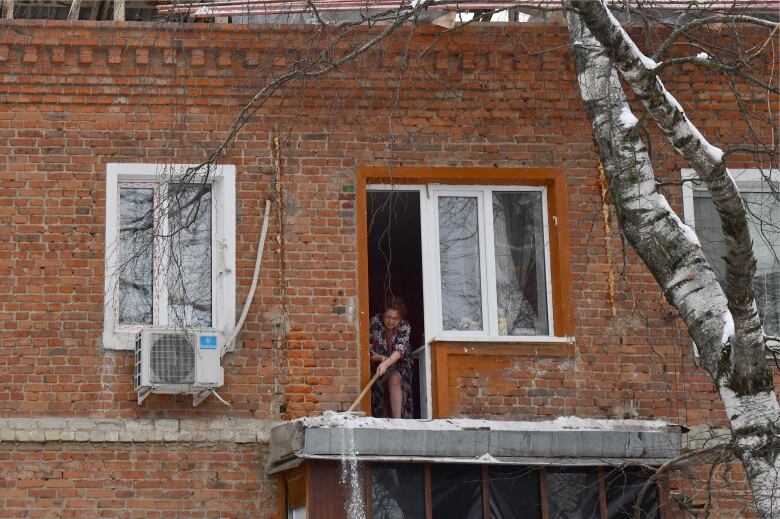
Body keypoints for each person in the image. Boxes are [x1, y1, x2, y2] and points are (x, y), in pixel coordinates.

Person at [369, 296, 413, 419]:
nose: (391, 321)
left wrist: (386, 363)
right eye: (388, 317)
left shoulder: (404, 326)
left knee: (394, 378)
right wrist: (380, 359)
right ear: (383, 314)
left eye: (395, 318)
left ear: (400, 318)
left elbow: (400, 350)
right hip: (377, 364)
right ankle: (382, 423)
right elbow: (368, 350)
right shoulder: (374, 322)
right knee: (380, 391)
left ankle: (397, 422)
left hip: (400, 363)